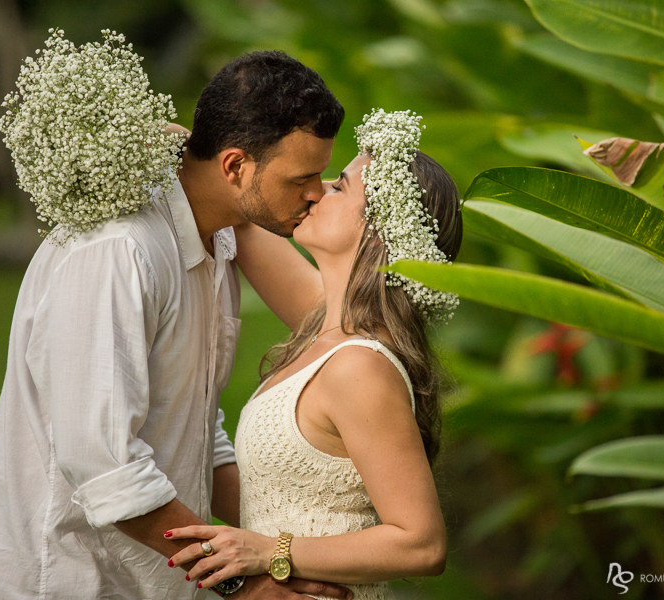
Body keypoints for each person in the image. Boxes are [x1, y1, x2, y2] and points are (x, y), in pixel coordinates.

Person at [0, 50, 353, 600]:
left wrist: (275, 552)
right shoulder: (120, 250)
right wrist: (248, 585)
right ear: (234, 166)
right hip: (60, 582)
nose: (316, 194)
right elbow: (104, 464)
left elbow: (193, 424)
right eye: (302, 178)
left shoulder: (222, 237)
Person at [164, 109, 462, 600]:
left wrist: (271, 552)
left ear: (377, 233)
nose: (316, 190)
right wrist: (197, 148)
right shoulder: (330, 330)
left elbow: (421, 544)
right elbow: (241, 213)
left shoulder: (360, 366)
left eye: (340, 187)